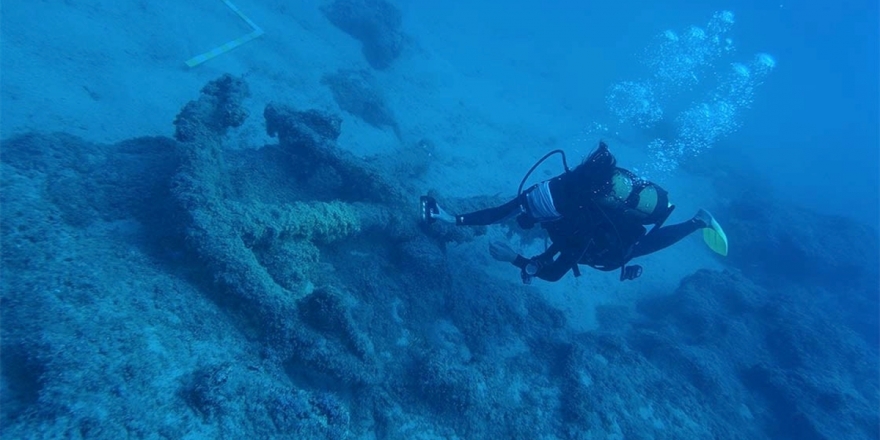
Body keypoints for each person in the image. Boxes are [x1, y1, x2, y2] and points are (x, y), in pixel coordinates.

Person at [419, 141, 727, 284]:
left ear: (553, 217)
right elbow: (501, 212)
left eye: (536, 217)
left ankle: (698, 222)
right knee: (564, 239)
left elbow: (553, 273)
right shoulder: (562, 189)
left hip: (612, 246)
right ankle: (697, 221)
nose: (527, 216)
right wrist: (450, 217)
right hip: (579, 230)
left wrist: (515, 259)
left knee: (640, 247)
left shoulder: (577, 226)